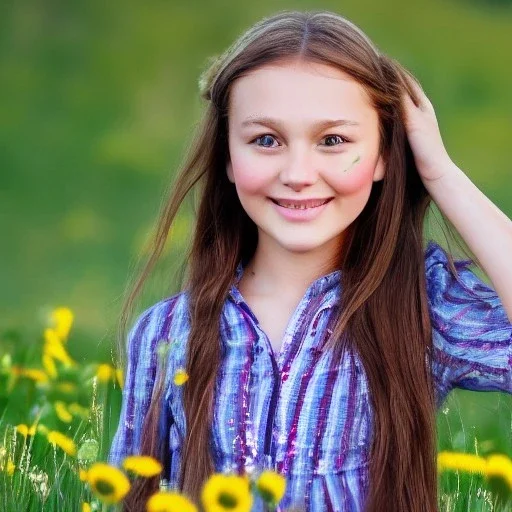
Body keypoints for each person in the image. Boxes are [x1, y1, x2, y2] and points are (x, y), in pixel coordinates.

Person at [108, 9, 512, 512]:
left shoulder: (421, 309)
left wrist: (440, 172)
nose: (298, 173)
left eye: (334, 140)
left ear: (385, 152)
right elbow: (131, 496)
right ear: (229, 158)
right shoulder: (167, 334)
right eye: (266, 140)